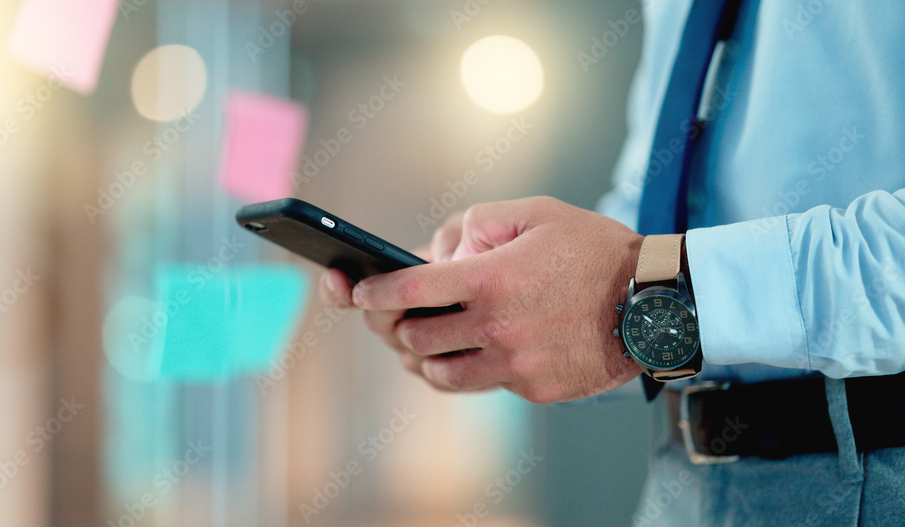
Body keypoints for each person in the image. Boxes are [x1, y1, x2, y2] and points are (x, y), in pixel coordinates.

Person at [320, 0, 905, 524]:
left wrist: (640, 291)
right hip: (685, 473)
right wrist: (508, 294)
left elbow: (643, 270)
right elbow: (653, 221)